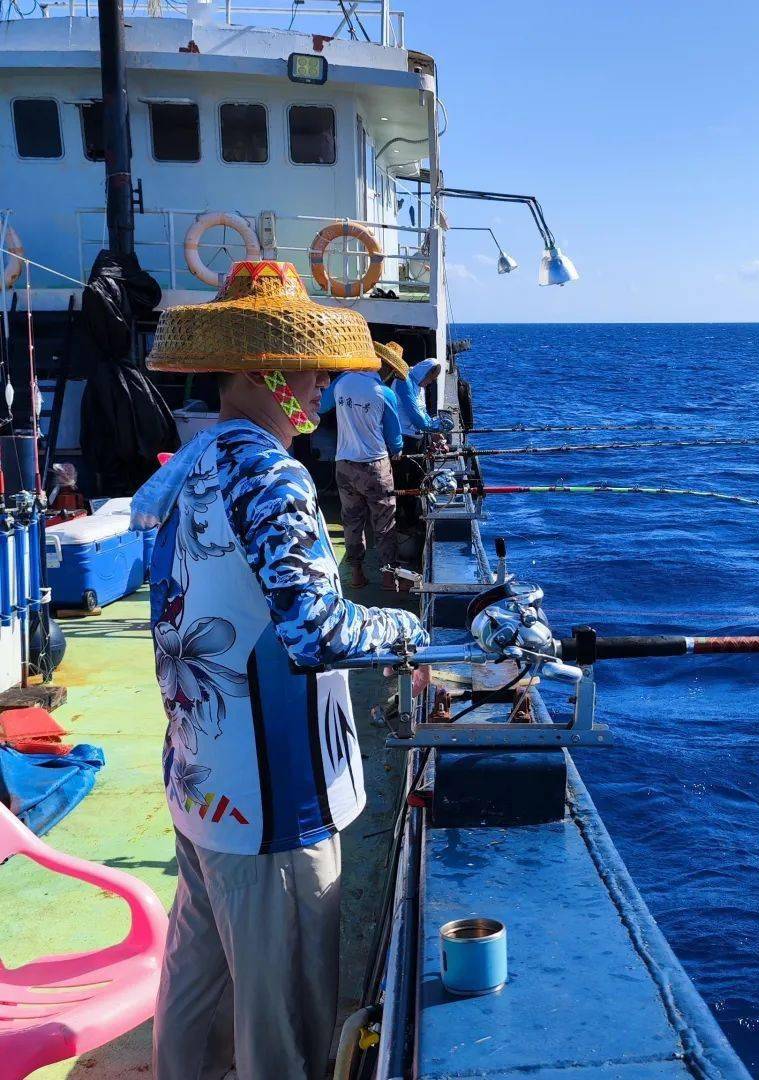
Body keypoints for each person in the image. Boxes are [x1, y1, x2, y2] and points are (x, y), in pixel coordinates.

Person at [130, 261, 428, 1080]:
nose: (321, 387)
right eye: (309, 370)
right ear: (268, 372)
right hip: (272, 807)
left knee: (198, 1001)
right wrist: (406, 628)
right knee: (284, 1031)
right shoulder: (270, 474)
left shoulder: (193, 463)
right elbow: (315, 630)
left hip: (199, 783)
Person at [334, 340, 408, 591]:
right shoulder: (384, 393)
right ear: (387, 368)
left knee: (352, 521)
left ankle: (356, 573)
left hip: (344, 465)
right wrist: (397, 451)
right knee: (384, 523)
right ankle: (389, 577)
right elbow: (394, 437)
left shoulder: (342, 382)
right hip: (375, 466)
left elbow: (322, 406)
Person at [390, 358, 453, 533]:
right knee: (402, 480)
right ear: (423, 373)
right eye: (430, 378)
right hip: (403, 438)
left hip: (417, 437)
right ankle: (402, 520)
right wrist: (436, 427)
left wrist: (435, 433)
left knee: (418, 478)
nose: (430, 382)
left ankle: (413, 516)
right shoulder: (404, 382)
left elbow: (423, 411)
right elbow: (415, 416)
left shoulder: (419, 386)